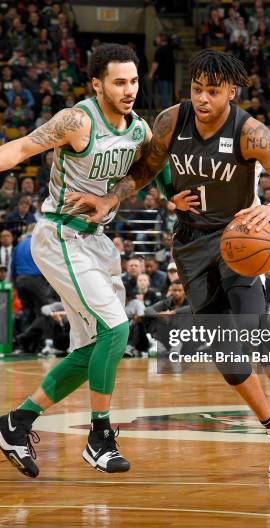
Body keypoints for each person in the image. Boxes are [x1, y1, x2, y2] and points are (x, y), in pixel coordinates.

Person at [68, 49, 270, 480]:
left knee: (258, 338)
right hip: (192, 247)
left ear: (231, 91)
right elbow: (145, 169)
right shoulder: (172, 121)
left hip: (238, 242)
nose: (203, 99)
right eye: (197, 89)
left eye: (213, 91)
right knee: (229, 361)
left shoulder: (250, 132)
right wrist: (121, 198)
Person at [0, 43, 170, 478]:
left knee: (98, 345)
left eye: (133, 81)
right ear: (97, 84)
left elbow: (152, 167)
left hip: (95, 241)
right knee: (116, 328)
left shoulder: (138, 129)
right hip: (60, 234)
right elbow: (18, 150)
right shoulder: (77, 120)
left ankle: (16, 423)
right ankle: (99, 437)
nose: (129, 90)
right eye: (119, 82)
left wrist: (175, 201)